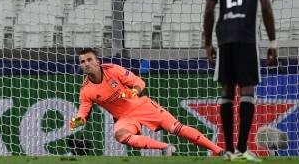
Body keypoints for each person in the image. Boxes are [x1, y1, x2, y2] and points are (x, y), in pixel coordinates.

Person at [69, 48, 224, 156]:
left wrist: (133, 91)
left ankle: (218, 151)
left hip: (141, 106)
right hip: (125, 118)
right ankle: (165, 147)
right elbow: (83, 114)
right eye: (82, 62)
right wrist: (77, 121)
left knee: (177, 128)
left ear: (97, 61)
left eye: (89, 60)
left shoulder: (113, 70)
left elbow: (139, 82)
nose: (86, 64)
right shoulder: (86, 90)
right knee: (120, 135)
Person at [203, 0, 277, 162]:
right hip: (246, 36)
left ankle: (227, 150)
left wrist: (208, 43)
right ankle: (242, 150)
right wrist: (272, 42)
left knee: (227, 91)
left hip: (224, 35)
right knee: (247, 91)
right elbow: (265, 6)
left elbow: (208, 11)